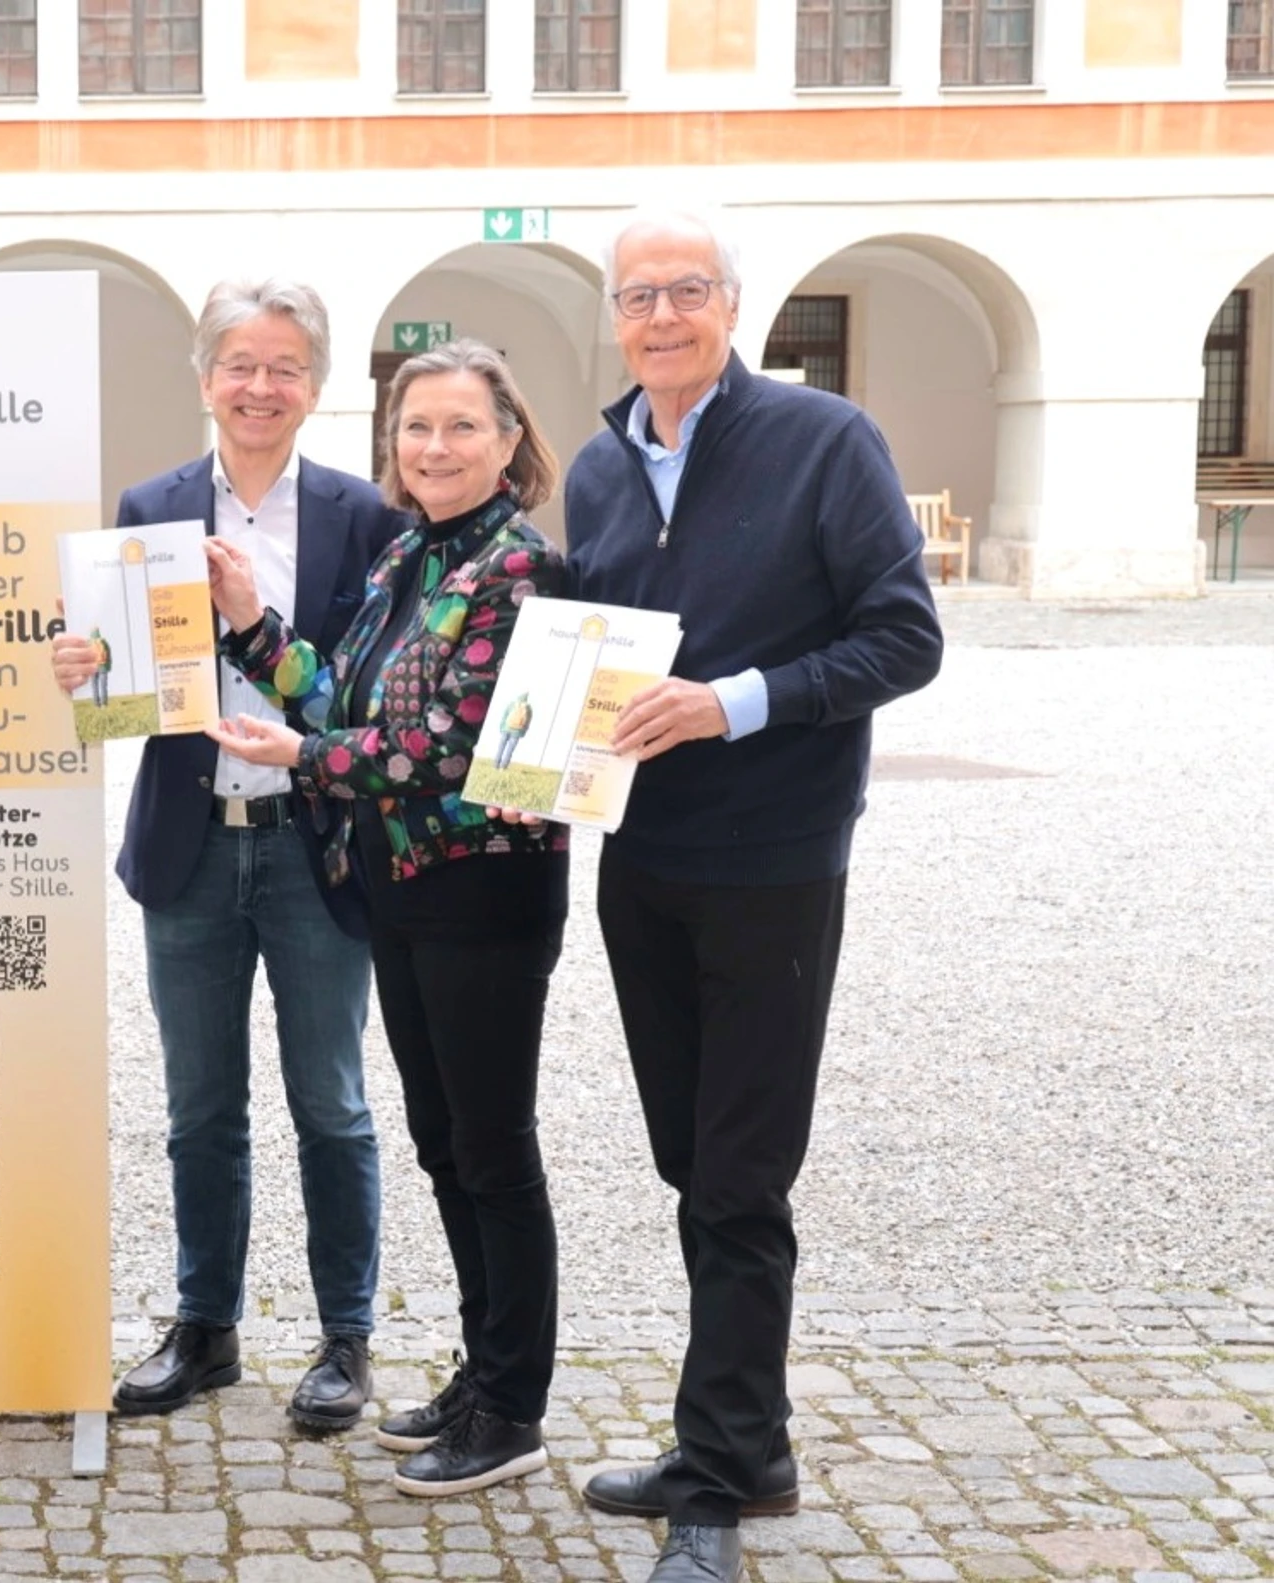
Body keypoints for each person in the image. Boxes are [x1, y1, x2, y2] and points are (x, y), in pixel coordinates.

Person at [562, 212, 942, 1583]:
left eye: (685, 291)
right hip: (640, 859)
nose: (660, 314)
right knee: (690, 1158)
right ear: (615, 318)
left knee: (737, 1173)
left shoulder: (823, 439)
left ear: (732, 303)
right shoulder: (603, 468)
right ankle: (750, 1431)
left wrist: (732, 704)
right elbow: (583, 643)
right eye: (637, 295)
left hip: (775, 861)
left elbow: (906, 635)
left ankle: (720, 1470)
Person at [205, 339, 570, 1498]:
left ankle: (513, 1404)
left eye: (462, 428)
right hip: (400, 885)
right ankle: (482, 1368)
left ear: (508, 442)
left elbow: (451, 749)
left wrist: (305, 756)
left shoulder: (520, 570)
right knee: (444, 1142)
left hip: (487, 890)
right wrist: (252, 628)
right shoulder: (408, 552)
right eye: (417, 429)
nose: (435, 448)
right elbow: (338, 692)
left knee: (496, 1150)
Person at [51, 279, 401, 1432]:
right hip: (190, 844)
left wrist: (259, 616)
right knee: (200, 1106)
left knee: (332, 1102)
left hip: (315, 848)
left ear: (317, 384)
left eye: (286, 365)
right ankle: (206, 1327)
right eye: (241, 364)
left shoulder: (364, 517)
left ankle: (344, 1337)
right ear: (205, 378)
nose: (262, 386)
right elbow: (125, 673)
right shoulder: (148, 506)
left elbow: (365, 697)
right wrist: (83, 672)